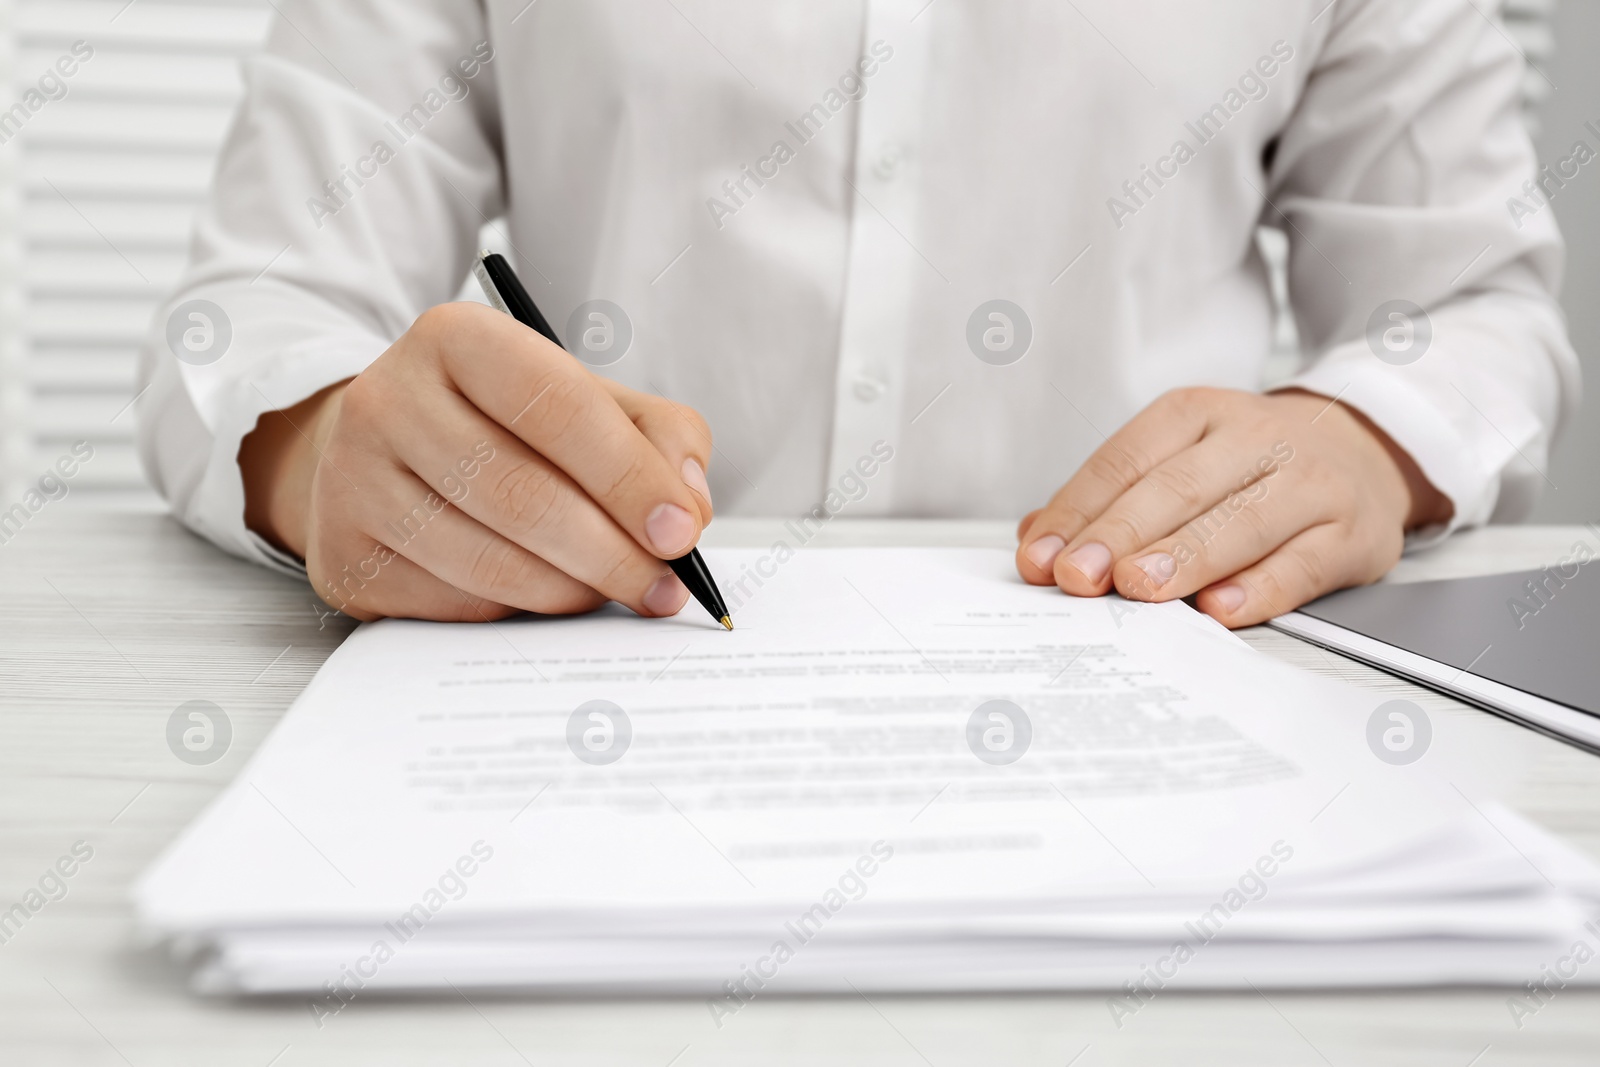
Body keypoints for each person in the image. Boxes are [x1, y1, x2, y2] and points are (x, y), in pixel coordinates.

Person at [137, 0, 1578, 628]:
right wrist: (321, 450)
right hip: (598, 680)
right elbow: (255, 308)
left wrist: (1364, 440)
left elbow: (1471, 308)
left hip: (1172, 685)